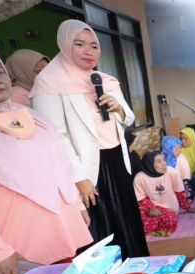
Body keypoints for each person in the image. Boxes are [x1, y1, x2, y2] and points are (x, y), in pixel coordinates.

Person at [30, 19, 149, 258]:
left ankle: (136, 266)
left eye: (94, 46)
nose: (89, 51)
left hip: (117, 159)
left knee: (127, 219)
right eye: (79, 44)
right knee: (101, 227)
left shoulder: (105, 80)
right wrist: (79, 177)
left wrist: (119, 109)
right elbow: (55, 137)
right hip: (86, 168)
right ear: (65, 45)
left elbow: (129, 117)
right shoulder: (48, 83)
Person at [0, 47, 92, 274]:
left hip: (59, 229)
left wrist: (77, 205)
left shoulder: (33, 116)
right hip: (15, 247)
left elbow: (61, 165)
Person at [134, 151, 195, 236]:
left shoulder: (172, 172)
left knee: (169, 219)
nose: (164, 163)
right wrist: (151, 208)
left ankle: (150, 228)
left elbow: (179, 192)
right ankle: (156, 228)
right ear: (149, 164)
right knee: (135, 217)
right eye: (159, 161)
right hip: (150, 208)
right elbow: (141, 198)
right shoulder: (140, 177)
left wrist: (187, 208)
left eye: (164, 160)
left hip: (168, 210)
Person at [161, 135, 193, 201]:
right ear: (168, 148)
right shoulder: (161, 158)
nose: (179, 150)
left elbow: (186, 177)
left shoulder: (181, 158)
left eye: (180, 148)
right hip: (168, 184)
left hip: (181, 183)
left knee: (185, 196)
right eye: (177, 148)